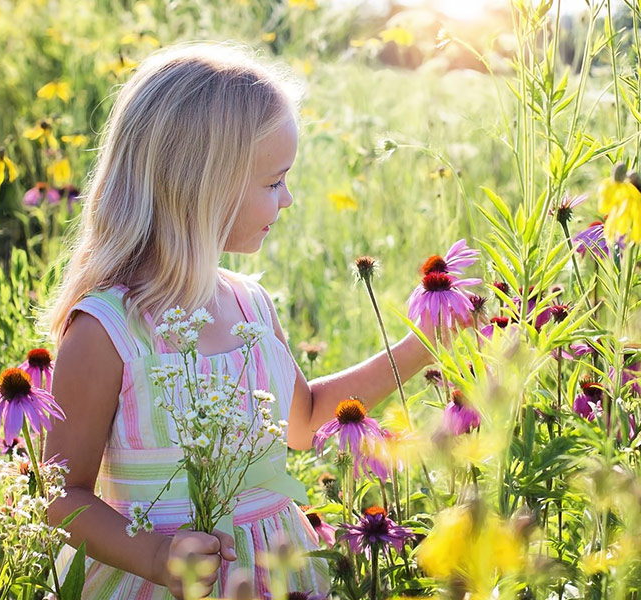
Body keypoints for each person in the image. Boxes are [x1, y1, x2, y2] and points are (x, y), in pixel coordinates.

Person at [40, 41, 434, 600]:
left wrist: (423, 346)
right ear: (202, 188)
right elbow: (61, 496)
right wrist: (154, 555)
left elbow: (306, 421)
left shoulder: (251, 305)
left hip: (279, 573)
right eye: (274, 182)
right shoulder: (108, 330)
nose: (289, 198)